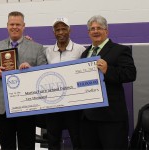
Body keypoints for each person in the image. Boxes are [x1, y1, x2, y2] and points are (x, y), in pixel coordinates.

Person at [0, 11, 47, 150]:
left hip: (26, 106)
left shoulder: (36, 47)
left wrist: (31, 69)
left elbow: (44, 70)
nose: (15, 27)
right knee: (7, 145)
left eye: (18, 24)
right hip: (2, 107)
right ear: (7, 26)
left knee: (27, 144)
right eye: (12, 24)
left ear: (23, 26)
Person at [79, 15, 137, 149]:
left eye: (99, 28)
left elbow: (130, 74)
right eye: (92, 29)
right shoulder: (85, 54)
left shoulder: (120, 50)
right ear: (88, 33)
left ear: (107, 31)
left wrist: (108, 70)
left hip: (111, 119)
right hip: (88, 118)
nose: (95, 31)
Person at [45, 17, 85, 150]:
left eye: (63, 29)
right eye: (57, 29)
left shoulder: (80, 50)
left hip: (74, 104)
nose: (61, 32)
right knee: (53, 139)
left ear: (69, 30)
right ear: (54, 32)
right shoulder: (48, 51)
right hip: (53, 104)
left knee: (77, 138)